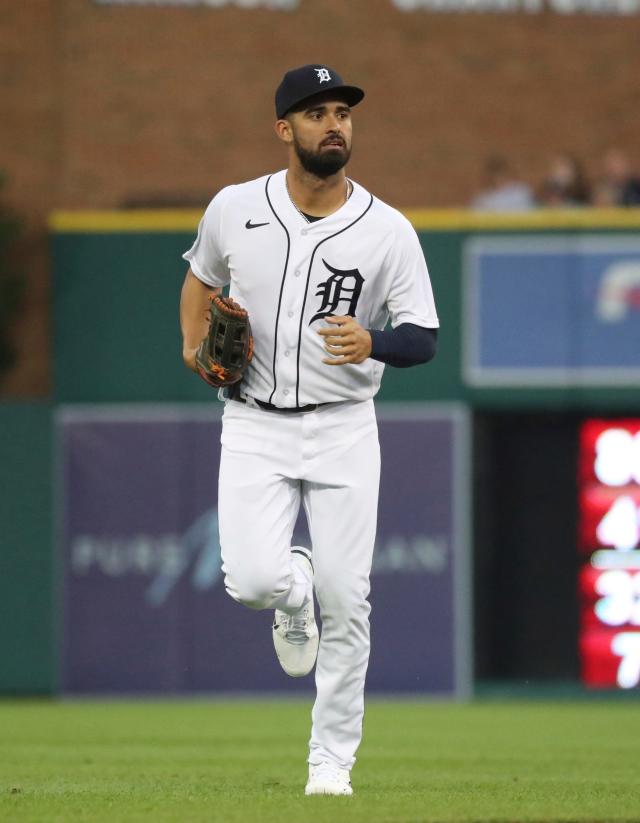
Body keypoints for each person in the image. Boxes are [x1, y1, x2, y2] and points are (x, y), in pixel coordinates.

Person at [179, 64, 439, 796]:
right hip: (255, 421)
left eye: (343, 113)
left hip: (344, 427)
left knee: (348, 598)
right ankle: (293, 597)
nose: (335, 124)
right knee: (255, 581)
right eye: (317, 112)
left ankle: (331, 762)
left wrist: (376, 341)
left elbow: (422, 336)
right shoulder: (235, 207)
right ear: (284, 129)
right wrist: (191, 345)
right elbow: (200, 279)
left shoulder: (388, 229)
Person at [470, 154, 534, 212]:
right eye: (494, 174)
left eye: (501, 174)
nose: (497, 178)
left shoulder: (521, 192)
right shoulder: (482, 197)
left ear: (508, 173)